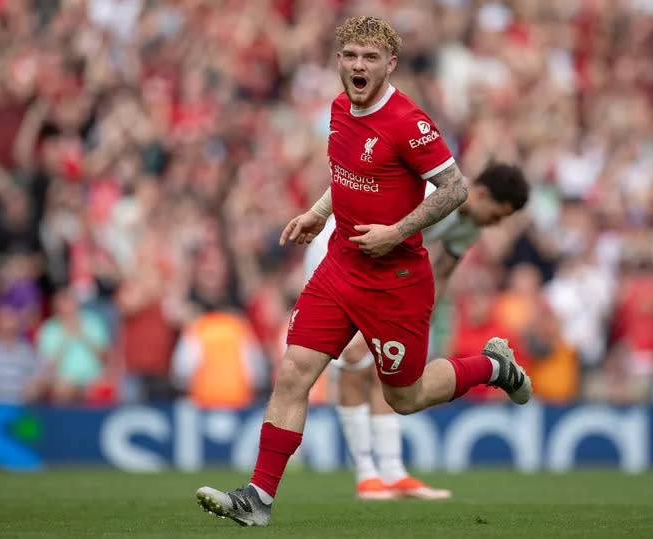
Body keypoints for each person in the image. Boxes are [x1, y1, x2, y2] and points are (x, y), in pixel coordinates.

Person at [195, 16, 531, 527]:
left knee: (405, 396)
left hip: (396, 282)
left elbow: (456, 189)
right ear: (338, 60)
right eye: (350, 55)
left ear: (389, 64)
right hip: (340, 267)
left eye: (370, 57)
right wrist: (318, 212)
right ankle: (258, 498)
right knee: (293, 374)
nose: (358, 65)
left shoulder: (409, 122)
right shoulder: (337, 109)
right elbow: (350, 176)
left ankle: (492, 368)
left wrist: (396, 232)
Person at [311, 162, 529, 500]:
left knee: (387, 365)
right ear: (482, 194)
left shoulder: (469, 223)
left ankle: (392, 471)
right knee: (354, 357)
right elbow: (369, 224)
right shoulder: (432, 193)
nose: (495, 225)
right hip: (343, 254)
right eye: (497, 215)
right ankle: (367, 475)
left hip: (384, 269)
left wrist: (419, 320)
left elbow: (441, 274)